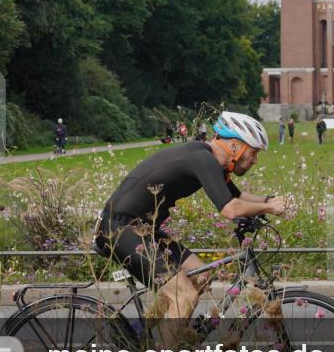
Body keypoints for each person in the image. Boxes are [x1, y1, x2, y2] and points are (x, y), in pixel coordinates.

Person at [94, 111, 289, 332]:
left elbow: (237, 196)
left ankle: (141, 333)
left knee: (201, 276)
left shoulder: (207, 158)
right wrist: (270, 207)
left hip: (143, 230)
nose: (254, 160)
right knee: (183, 295)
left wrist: (269, 201)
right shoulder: (202, 159)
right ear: (235, 146)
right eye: (253, 153)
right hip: (118, 229)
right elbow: (230, 209)